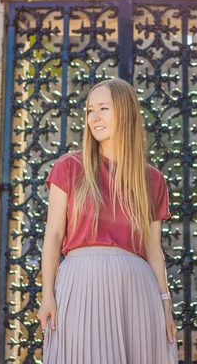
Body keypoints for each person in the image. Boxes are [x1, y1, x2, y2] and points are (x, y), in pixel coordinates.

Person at [39, 77, 179, 364]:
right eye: (90, 110)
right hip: (81, 284)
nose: (94, 117)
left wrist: (165, 306)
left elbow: (154, 250)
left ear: (125, 112)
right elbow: (53, 235)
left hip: (137, 290)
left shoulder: (152, 180)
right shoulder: (69, 167)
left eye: (104, 108)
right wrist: (47, 295)